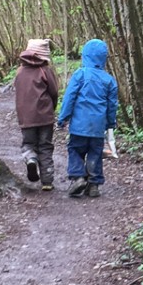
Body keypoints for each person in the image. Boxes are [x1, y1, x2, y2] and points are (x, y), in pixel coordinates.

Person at [56, 38, 118, 199]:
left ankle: (78, 177)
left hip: (79, 126)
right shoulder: (109, 80)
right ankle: (94, 184)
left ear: (85, 56)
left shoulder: (80, 75)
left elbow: (69, 98)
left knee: (75, 150)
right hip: (98, 128)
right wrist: (110, 123)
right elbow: (112, 106)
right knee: (95, 153)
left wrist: (62, 118)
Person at [13, 38, 58, 190]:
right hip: (45, 116)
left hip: (26, 118)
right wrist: (53, 108)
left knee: (28, 144)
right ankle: (47, 181)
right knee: (45, 146)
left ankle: (31, 158)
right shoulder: (45, 71)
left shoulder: (19, 72)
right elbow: (54, 92)